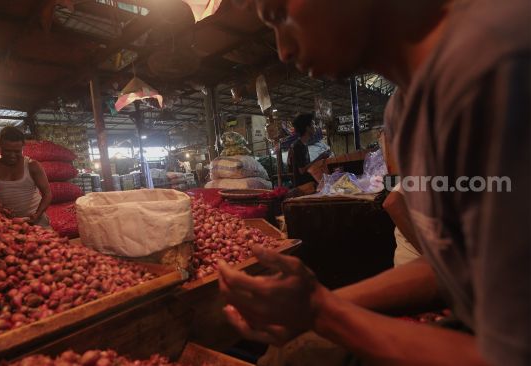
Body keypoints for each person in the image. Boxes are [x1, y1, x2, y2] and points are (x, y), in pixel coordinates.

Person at [219, 0, 530, 365]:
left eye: (278, 14)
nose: (284, 51)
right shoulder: (404, 112)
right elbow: (456, 266)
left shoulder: (492, 66)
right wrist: (322, 302)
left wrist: (323, 314)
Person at [0, 127, 52, 227]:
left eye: (17, 151)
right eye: (7, 151)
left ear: (23, 147)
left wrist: (37, 215)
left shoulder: (32, 166)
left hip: (37, 221)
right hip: (8, 224)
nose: (12, 155)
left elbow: (47, 194)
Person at [287, 113, 316, 187]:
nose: (315, 127)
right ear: (307, 128)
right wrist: (320, 158)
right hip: (301, 182)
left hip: (305, 179)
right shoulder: (297, 146)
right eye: (313, 125)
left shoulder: (303, 144)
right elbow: (302, 171)